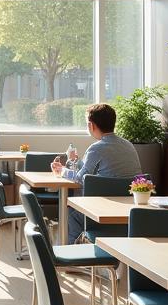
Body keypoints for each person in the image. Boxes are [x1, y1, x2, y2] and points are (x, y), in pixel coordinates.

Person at [51, 102, 142, 242]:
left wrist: (61, 170)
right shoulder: (128, 145)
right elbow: (106, 172)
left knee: (69, 213)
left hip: (99, 211)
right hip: (129, 211)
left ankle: (64, 255)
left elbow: (80, 179)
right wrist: (77, 162)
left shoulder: (96, 148)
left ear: (91, 125)